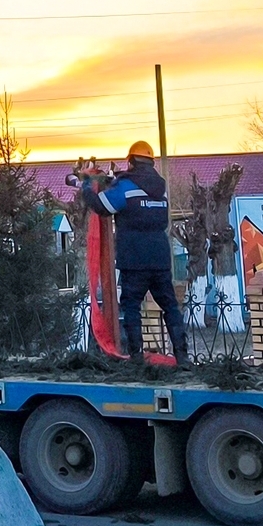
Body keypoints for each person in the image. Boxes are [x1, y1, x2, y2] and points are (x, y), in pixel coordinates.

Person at [85, 142, 187, 366]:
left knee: (131, 307)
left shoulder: (125, 187)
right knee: (170, 306)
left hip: (134, 257)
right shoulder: (161, 187)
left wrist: (85, 186)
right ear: (151, 163)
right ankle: (182, 357)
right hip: (160, 257)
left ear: (131, 161)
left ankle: (137, 357)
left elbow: (101, 206)